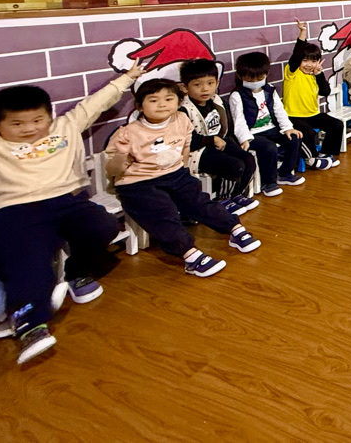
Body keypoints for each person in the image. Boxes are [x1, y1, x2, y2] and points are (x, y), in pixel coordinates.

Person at [0, 63, 142, 364]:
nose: (30, 128)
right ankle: (29, 324)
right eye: (17, 124)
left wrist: (127, 78)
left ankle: (77, 274)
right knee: (28, 260)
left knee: (103, 225)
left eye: (38, 120)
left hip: (67, 201)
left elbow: (97, 103)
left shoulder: (65, 127)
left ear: (49, 117)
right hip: (15, 210)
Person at [107, 79, 261, 280]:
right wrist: (121, 155)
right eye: (153, 100)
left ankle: (234, 228)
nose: (162, 104)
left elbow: (185, 149)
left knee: (200, 201)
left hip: (175, 173)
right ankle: (189, 255)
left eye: (168, 99)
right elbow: (112, 170)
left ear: (179, 102)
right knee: (164, 212)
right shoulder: (127, 132)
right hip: (137, 183)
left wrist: (185, 173)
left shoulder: (181, 119)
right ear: (140, 106)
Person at [179, 59, 258, 216]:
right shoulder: (183, 110)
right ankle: (224, 199)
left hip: (220, 142)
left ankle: (236, 194)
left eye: (210, 83)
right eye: (197, 84)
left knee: (248, 159)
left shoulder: (217, 101)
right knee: (234, 165)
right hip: (199, 150)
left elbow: (227, 127)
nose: (205, 89)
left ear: (217, 83)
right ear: (185, 87)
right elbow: (185, 141)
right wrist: (212, 140)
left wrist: (236, 142)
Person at [229, 52, 305, 196]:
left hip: (270, 128)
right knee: (268, 147)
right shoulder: (237, 95)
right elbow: (238, 120)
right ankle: (268, 182)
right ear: (240, 76)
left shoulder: (269, 90)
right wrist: (245, 138)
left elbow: (279, 110)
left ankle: (285, 173)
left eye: (259, 78)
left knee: (294, 138)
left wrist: (288, 128)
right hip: (252, 133)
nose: (255, 81)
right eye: (250, 79)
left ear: (266, 74)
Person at [283, 20, 342, 170]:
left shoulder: (314, 75)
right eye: (305, 61)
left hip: (312, 114)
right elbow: (297, 54)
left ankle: (325, 154)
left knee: (336, 124)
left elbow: (325, 92)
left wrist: (319, 74)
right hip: (293, 116)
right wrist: (302, 32)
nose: (309, 64)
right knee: (308, 132)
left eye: (313, 61)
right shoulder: (292, 73)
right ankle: (311, 159)